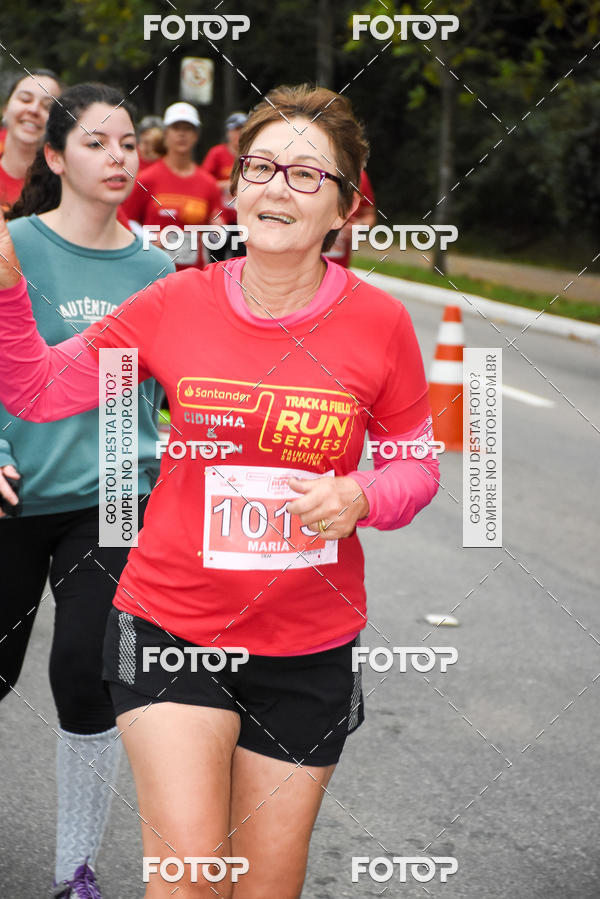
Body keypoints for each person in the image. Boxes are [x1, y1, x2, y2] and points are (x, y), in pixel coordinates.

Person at [0, 83, 439, 898]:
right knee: (192, 879)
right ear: (234, 188)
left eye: (308, 175)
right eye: (262, 167)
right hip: (172, 625)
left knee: (265, 886)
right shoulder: (171, 300)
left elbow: (416, 464)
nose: (276, 185)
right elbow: (37, 390)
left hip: (307, 645)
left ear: (345, 206)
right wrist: (5, 294)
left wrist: (362, 497)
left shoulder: (380, 324)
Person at [0, 82, 174, 898]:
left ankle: (76, 870)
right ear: (58, 156)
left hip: (111, 496)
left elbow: (174, 393)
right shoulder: (15, 245)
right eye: (98, 142)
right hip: (12, 491)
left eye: (128, 143)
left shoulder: (156, 267)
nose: (117, 157)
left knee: (85, 670)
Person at [123, 101, 223, 270]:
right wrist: (151, 238)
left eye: (188, 128)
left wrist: (218, 231)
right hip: (152, 273)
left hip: (192, 276)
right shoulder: (147, 179)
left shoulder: (208, 183)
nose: (182, 134)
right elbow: (125, 222)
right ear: (166, 134)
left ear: (196, 135)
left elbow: (215, 237)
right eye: (176, 128)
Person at [0, 69, 62, 210]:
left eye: (47, 106)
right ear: (5, 109)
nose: (34, 109)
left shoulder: (70, 185)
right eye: (25, 99)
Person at [202, 111, 248, 260]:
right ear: (228, 132)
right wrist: (226, 185)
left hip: (241, 218)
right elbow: (204, 182)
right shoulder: (217, 153)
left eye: (242, 129)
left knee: (241, 258)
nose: (239, 134)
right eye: (235, 130)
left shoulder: (252, 154)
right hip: (220, 217)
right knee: (216, 258)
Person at [324, 168, 376, 268]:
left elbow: (369, 214)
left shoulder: (359, 175)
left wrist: (359, 226)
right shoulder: (308, 168)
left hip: (339, 266)